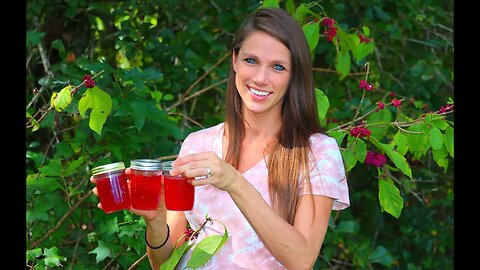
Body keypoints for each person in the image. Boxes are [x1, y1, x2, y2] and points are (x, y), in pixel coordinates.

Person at [91, 7, 349, 270]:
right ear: (234, 60)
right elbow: (165, 264)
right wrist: (155, 222)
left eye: (278, 67)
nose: (260, 78)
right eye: (251, 60)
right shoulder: (198, 144)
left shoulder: (317, 152)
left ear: (294, 75)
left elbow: (302, 259)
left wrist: (234, 181)